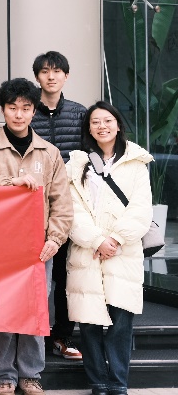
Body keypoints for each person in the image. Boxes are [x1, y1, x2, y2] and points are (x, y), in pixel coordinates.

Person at [0, 78, 73, 395]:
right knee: (4, 309)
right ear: (3, 109)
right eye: (12, 107)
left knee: (34, 310)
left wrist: (54, 239)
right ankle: (4, 376)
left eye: (25, 108)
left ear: (33, 111)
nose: (18, 114)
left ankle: (31, 375)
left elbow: (62, 203)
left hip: (38, 247)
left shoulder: (50, 153)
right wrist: (7, 182)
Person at [65, 102, 153, 395]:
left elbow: (141, 209)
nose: (101, 126)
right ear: (88, 129)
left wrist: (114, 239)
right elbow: (71, 209)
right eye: (95, 122)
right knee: (89, 322)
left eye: (107, 120)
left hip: (122, 252)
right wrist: (96, 240)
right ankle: (98, 382)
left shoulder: (136, 163)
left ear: (118, 125)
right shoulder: (77, 164)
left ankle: (117, 383)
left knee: (121, 322)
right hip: (87, 252)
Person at [30, 51, 87, 361]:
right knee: (37, 275)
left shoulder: (79, 114)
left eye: (57, 71)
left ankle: (63, 336)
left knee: (66, 274)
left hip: (70, 208)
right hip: (35, 208)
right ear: (37, 76)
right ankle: (35, 334)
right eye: (44, 71)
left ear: (66, 76)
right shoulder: (28, 112)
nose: (51, 76)